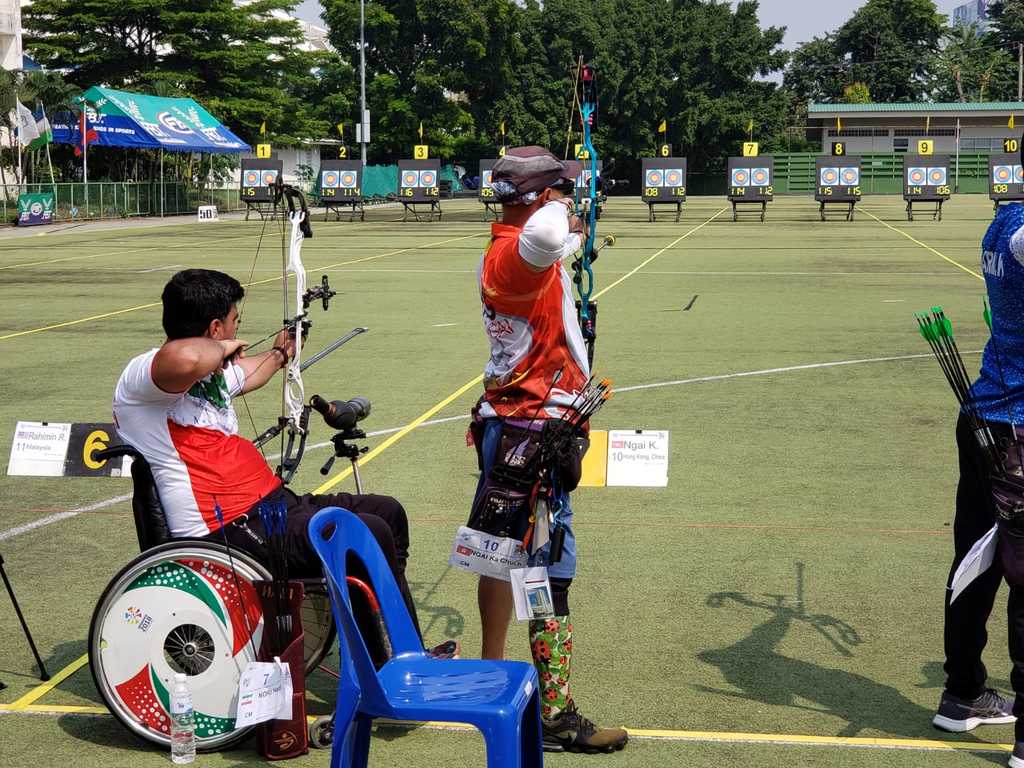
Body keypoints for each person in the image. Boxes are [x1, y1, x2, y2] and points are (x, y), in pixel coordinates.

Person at [112, 268, 454, 657]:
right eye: (234, 320)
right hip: (227, 530)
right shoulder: (144, 377)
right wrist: (222, 349)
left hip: (271, 508)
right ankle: (388, 662)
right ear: (214, 327)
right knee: (366, 531)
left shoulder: (210, 379)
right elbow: (186, 357)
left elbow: (253, 372)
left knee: (386, 513)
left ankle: (398, 645)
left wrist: (281, 351)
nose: (238, 327)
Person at [469, 145, 628, 754]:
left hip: (514, 422)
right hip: (534, 431)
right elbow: (546, 233)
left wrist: (571, 217)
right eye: (556, 190)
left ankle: (492, 678)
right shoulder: (520, 253)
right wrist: (563, 203)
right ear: (537, 198)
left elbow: (553, 240)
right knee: (545, 565)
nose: (565, 199)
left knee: (499, 551)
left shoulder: (507, 247)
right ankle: (553, 712)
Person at [934, 203, 1024, 757]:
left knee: (976, 557)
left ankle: (961, 695)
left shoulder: (1004, 220)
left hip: (982, 416)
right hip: (1016, 429)